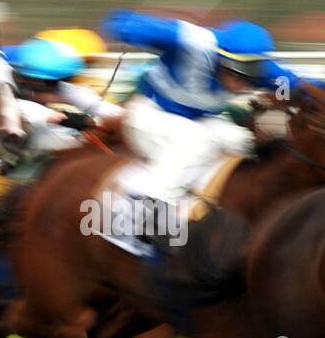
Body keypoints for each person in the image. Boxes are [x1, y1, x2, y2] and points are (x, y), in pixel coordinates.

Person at [99, 11, 300, 209]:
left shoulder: (267, 70)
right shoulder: (190, 40)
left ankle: (211, 203)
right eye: (236, 73)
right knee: (196, 141)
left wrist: (296, 97)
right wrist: (128, 30)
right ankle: (144, 206)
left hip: (200, 120)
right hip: (149, 114)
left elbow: (293, 84)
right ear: (219, 58)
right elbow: (120, 21)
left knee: (243, 141)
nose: (241, 85)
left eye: (250, 78)